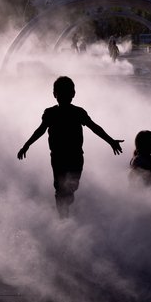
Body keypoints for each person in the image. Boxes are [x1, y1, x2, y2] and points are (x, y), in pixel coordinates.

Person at [17, 76, 123, 218]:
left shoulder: (78, 112)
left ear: (73, 94)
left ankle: (65, 203)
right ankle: (62, 215)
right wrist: (26, 145)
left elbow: (94, 127)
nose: (64, 96)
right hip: (58, 157)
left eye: (67, 93)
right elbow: (40, 130)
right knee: (60, 187)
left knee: (71, 186)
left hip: (75, 156)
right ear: (55, 95)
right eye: (61, 93)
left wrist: (111, 141)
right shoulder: (51, 113)